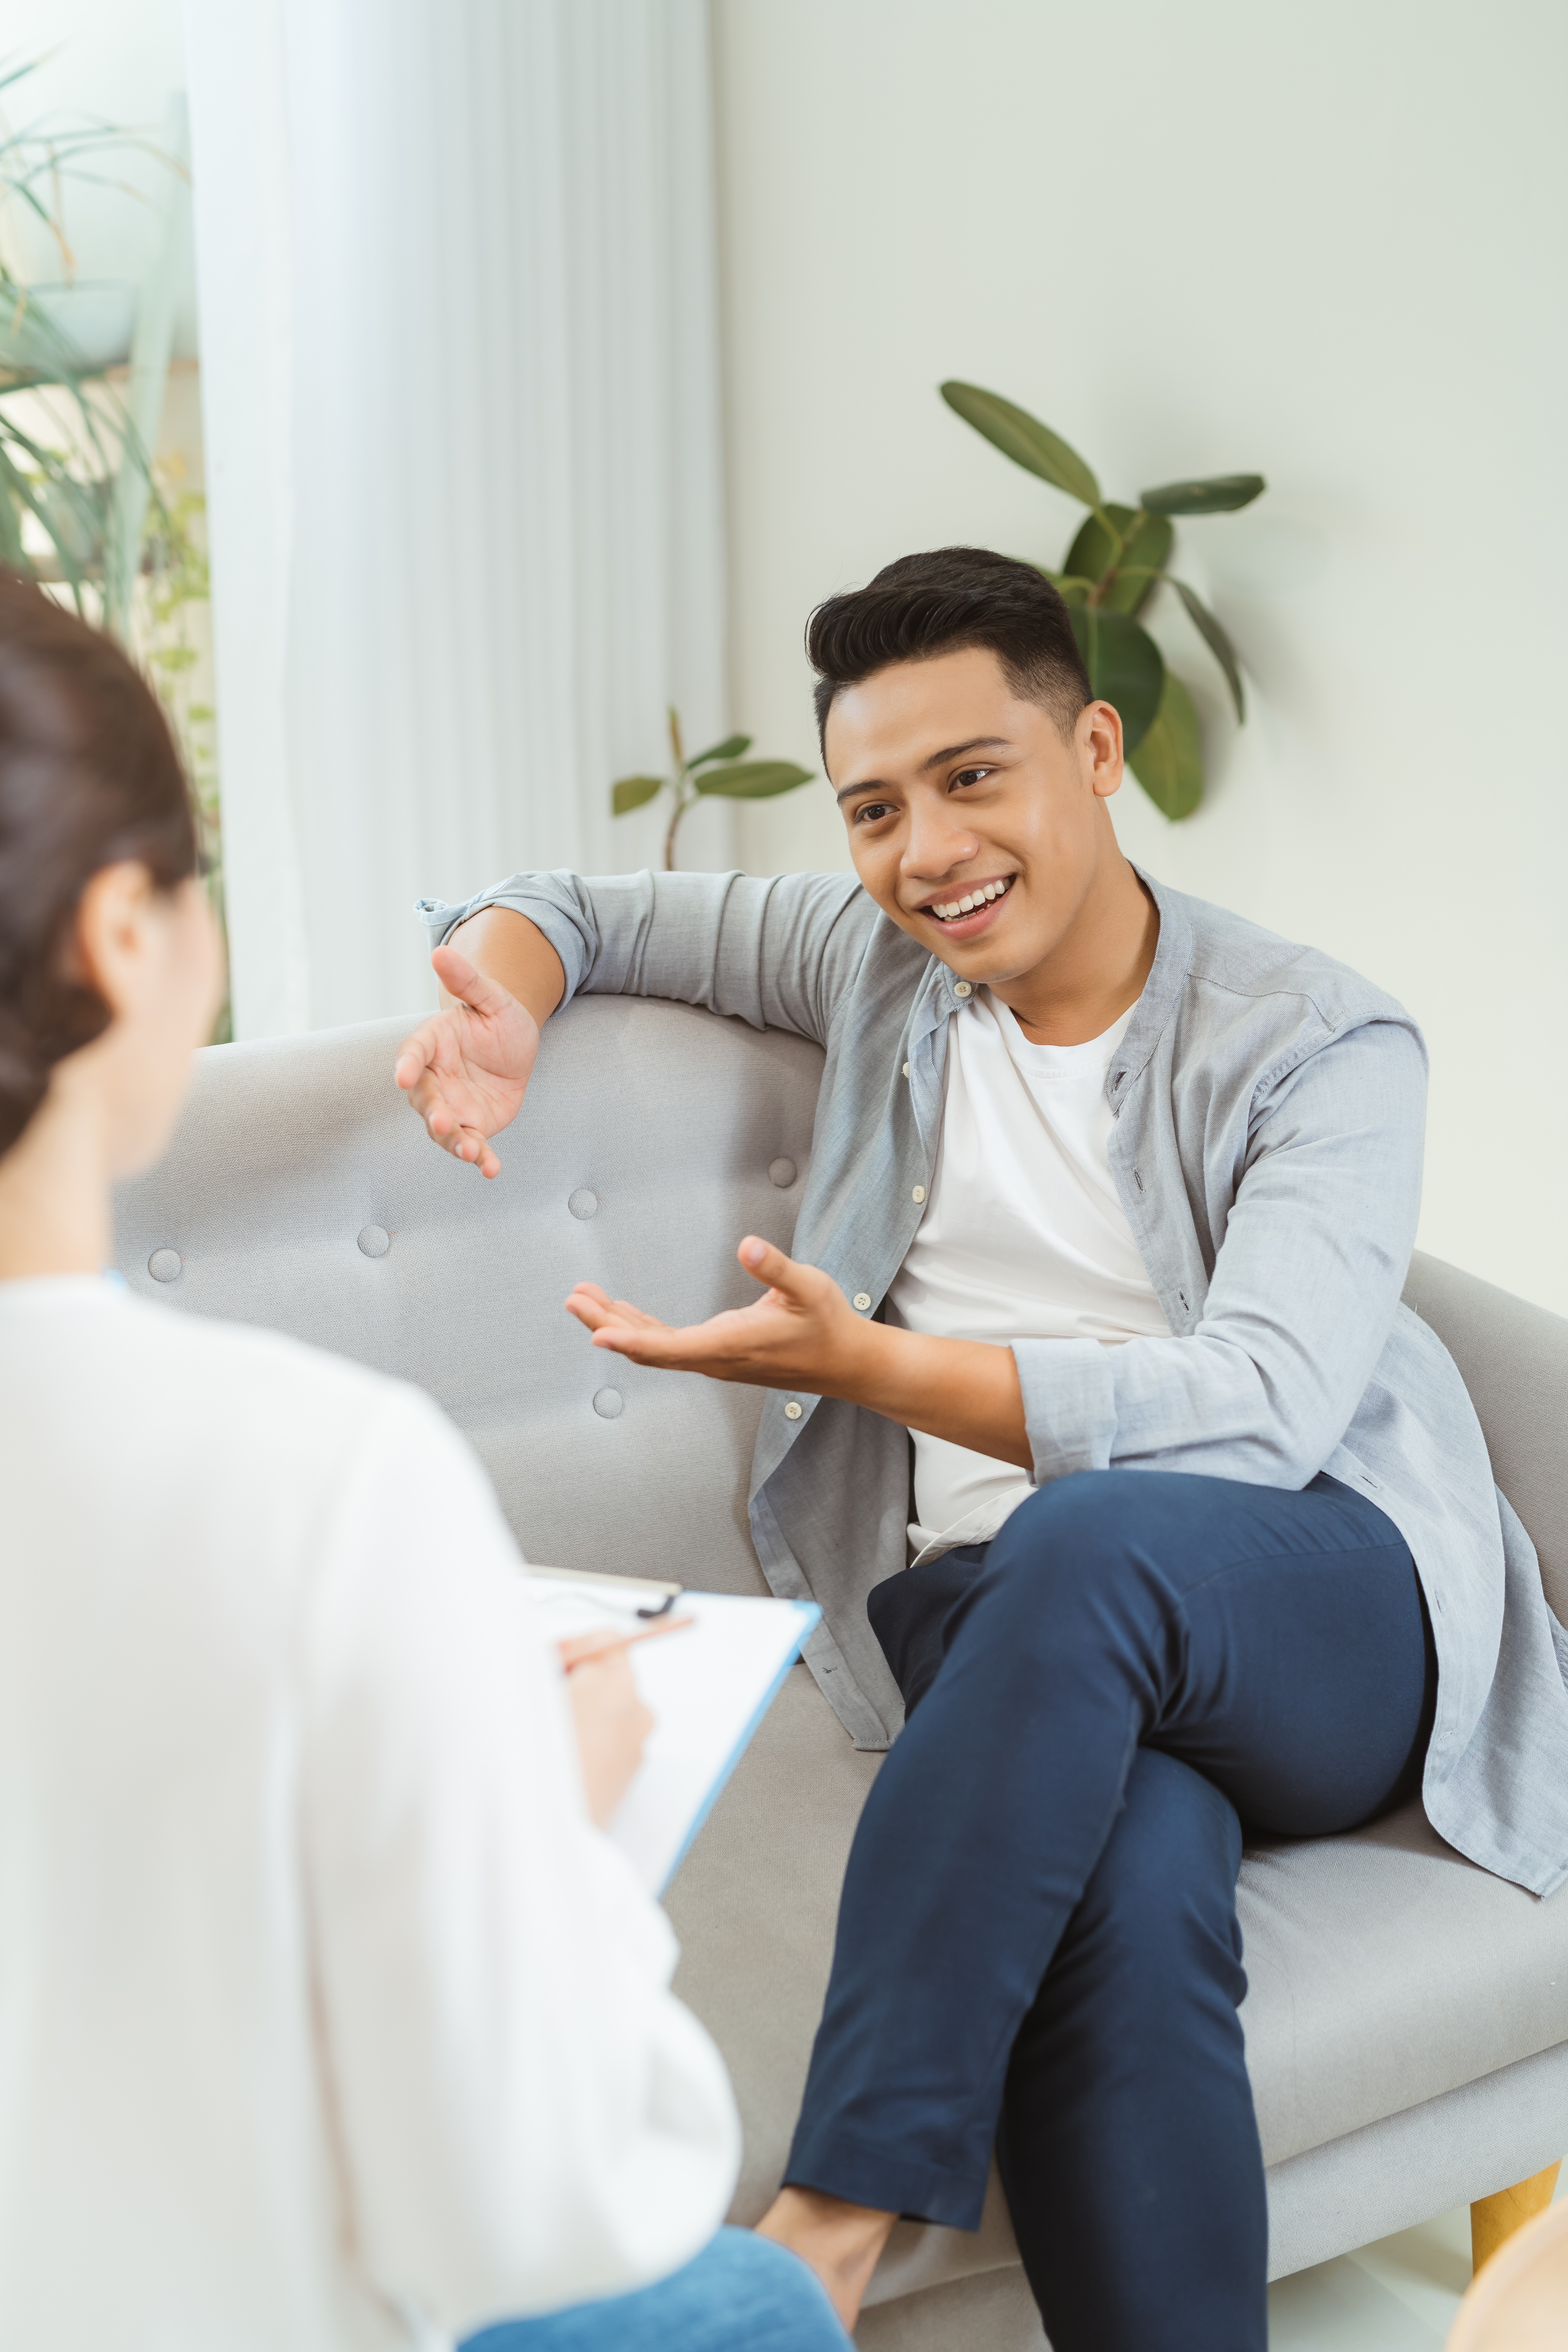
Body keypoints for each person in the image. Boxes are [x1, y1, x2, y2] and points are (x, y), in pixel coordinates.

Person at [399, 547, 1568, 2352]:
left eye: (971, 778)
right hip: (1014, 1618)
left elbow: (1260, 1409)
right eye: (873, 807)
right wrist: (503, 992)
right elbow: (569, 903)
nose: (924, 850)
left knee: (1089, 1544)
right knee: (1118, 1916)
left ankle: (826, 2231)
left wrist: (883, 1364)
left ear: (1094, 749)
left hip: (1316, 1595)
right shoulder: (875, 965)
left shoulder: (1321, 1040)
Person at [0, 572, 848, 2352]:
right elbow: (538, 2207)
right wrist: (553, 1827)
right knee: (751, 2311)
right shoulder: (305, 1484)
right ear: (127, 941)